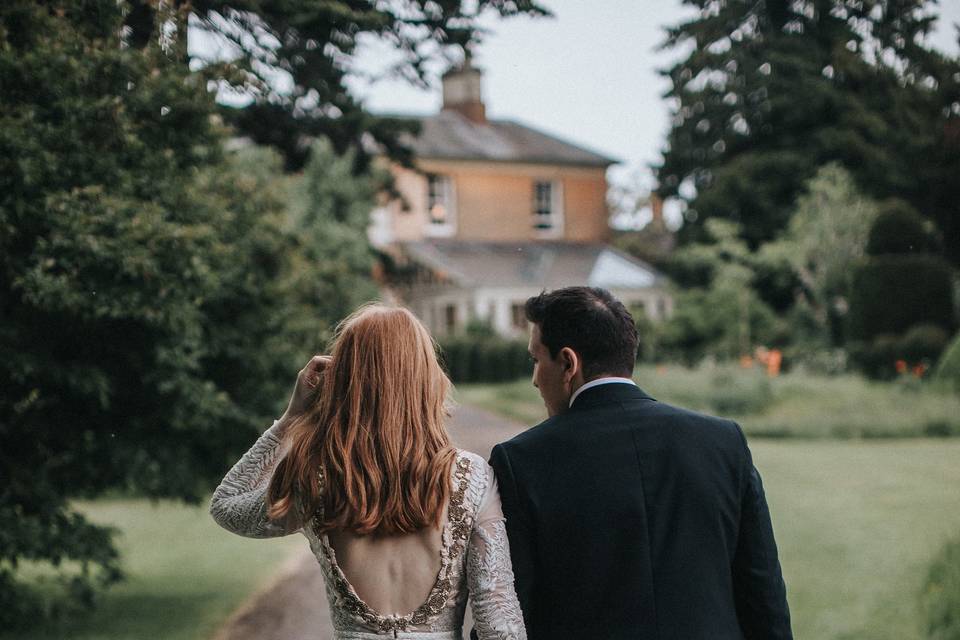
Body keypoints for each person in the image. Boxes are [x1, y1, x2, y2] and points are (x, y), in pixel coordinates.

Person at [488, 287, 792, 639]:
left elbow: (507, 614)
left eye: (536, 360)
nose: (535, 378)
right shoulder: (723, 442)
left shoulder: (521, 461)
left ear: (569, 363)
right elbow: (763, 596)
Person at [210, 304, 526, 640]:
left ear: (343, 381)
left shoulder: (315, 476)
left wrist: (290, 419)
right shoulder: (471, 478)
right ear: (426, 377)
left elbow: (227, 505)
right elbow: (500, 624)